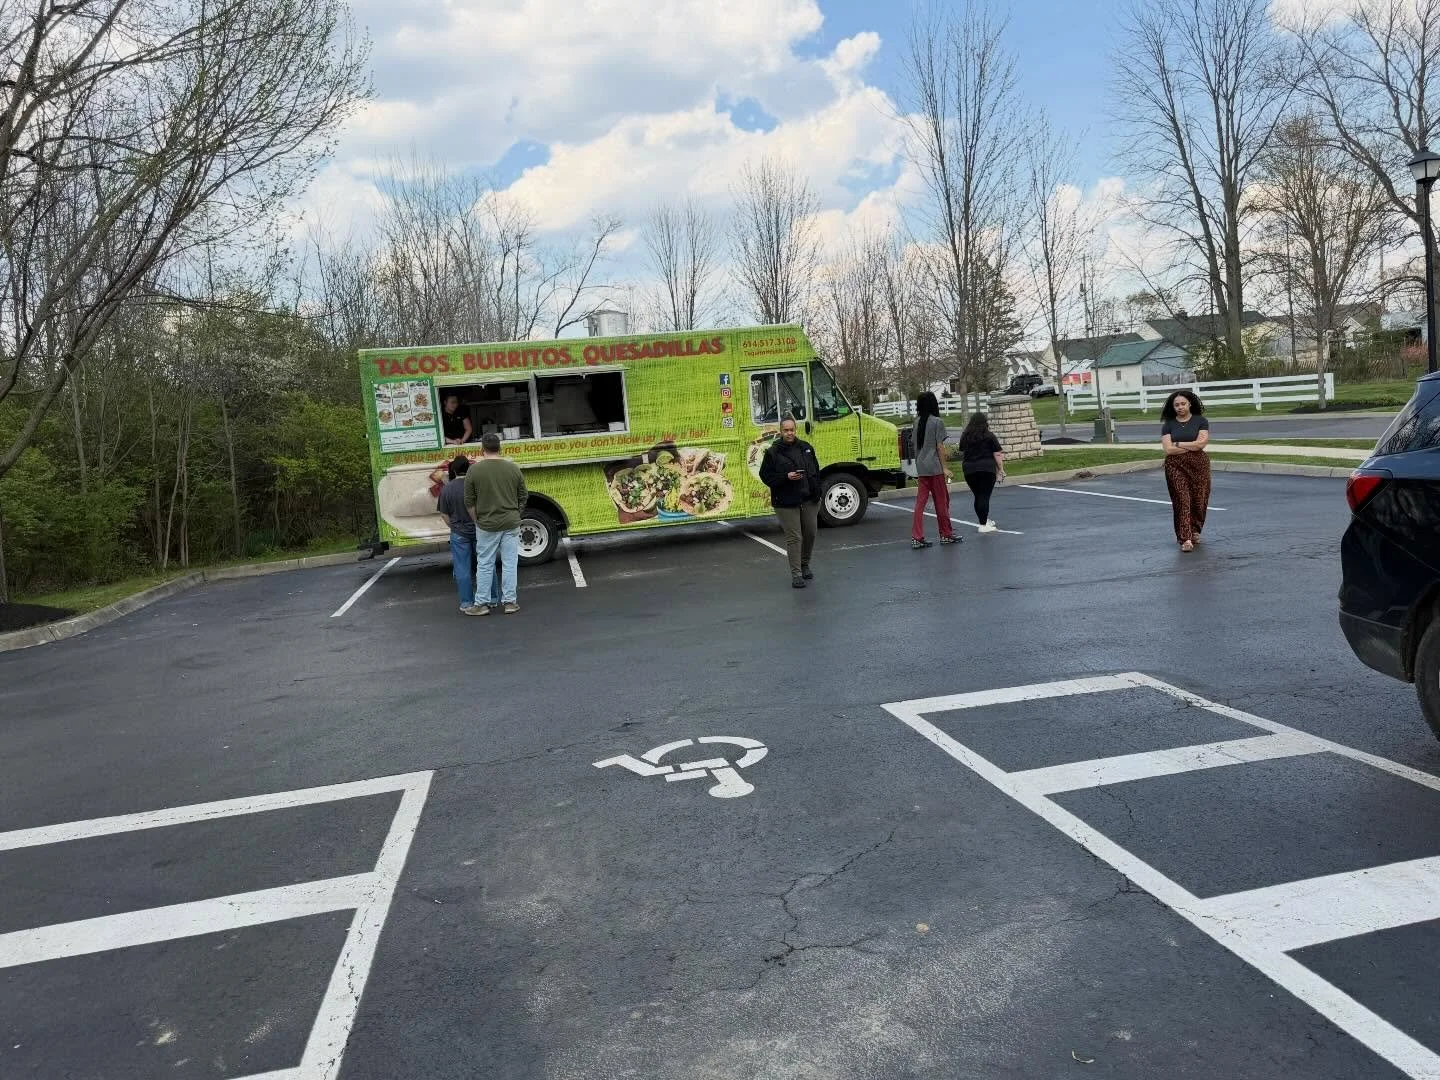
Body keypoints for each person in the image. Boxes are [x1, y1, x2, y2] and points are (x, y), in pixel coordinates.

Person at [464, 433, 528, 614]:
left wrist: (476, 520)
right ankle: (510, 602)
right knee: (510, 563)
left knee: (485, 563)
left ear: (481, 449)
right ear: (500, 448)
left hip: (486, 524)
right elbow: (523, 495)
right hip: (510, 522)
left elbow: (469, 501)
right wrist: (516, 513)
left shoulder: (474, 471)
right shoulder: (513, 468)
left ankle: (481, 604)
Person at [759, 416, 821, 588]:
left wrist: (818, 490)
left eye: (791, 430)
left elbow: (816, 469)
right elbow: (765, 476)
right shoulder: (773, 452)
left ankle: (804, 563)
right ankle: (796, 574)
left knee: (810, 533)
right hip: (785, 501)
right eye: (786, 430)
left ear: (796, 430)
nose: (789, 433)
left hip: (809, 498)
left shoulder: (806, 448)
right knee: (795, 537)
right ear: (780, 431)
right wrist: (786, 477)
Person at [1160, 389, 1211, 552]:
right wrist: (1191, 446)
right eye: (1176, 405)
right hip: (1175, 466)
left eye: (1183, 404)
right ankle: (1185, 538)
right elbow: (1168, 450)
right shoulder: (1168, 424)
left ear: (1189, 404)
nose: (1180, 407)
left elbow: (1201, 444)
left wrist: (1178, 444)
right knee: (1182, 500)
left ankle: (1195, 530)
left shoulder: (1201, 421)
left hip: (1199, 465)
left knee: (1199, 500)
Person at [910, 391, 959, 549]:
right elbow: (939, 446)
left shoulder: (916, 421)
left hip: (921, 465)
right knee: (942, 501)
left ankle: (916, 536)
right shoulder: (937, 422)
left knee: (920, 503)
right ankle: (945, 534)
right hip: (934, 467)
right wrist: (945, 468)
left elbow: (915, 445)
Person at [436, 455, 479, 614]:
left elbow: (444, 515)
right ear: (469, 468)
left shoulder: (447, 488)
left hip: (458, 533)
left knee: (462, 569)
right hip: (478, 531)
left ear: (453, 469)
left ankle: (467, 602)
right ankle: (491, 598)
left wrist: (453, 527)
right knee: (484, 566)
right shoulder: (474, 485)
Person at [958, 412, 1006, 534]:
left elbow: (962, 451)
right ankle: (983, 525)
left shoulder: (965, 436)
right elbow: (997, 453)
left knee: (978, 496)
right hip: (986, 468)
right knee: (984, 496)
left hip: (969, 469)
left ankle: (983, 520)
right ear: (985, 423)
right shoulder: (989, 436)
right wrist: (1001, 469)